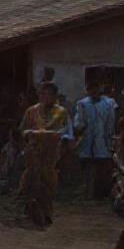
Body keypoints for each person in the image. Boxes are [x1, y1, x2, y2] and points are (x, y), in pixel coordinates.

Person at [18, 82, 72, 227]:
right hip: (33, 152)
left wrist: (53, 137)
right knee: (30, 181)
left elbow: (67, 134)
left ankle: (47, 213)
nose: (45, 97)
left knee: (48, 183)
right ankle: (30, 211)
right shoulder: (31, 111)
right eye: (42, 93)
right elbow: (23, 130)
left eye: (48, 94)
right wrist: (31, 134)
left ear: (55, 96)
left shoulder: (61, 112)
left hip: (51, 155)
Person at [74, 80, 118, 200]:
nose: (93, 92)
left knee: (103, 168)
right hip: (87, 140)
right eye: (90, 89)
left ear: (99, 89)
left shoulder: (109, 103)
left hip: (104, 140)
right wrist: (80, 130)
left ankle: (102, 194)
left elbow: (111, 122)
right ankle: (89, 193)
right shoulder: (82, 103)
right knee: (89, 167)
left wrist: (110, 138)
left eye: (95, 88)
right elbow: (79, 123)